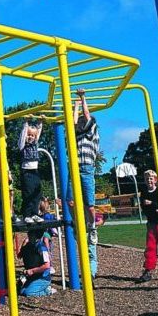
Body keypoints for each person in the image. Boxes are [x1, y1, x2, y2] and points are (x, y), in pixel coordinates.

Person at [67, 88, 100, 244]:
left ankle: (92, 227)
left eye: (84, 121)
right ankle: (77, 223)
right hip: (74, 168)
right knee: (70, 201)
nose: (81, 122)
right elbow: (74, 122)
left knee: (90, 205)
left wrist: (82, 97)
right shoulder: (77, 136)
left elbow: (87, 116)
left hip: (87, 169)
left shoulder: (92, 134)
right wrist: (75, 106)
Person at [18, 116, 45, 224]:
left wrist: (40, 122)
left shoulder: (35, 143)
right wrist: (26, 122)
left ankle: (34, 214)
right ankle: (27, 215)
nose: (30, 137)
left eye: (32, 135)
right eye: (29, 135)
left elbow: (38, 132)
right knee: (28, 193)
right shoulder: (22, 145)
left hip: (35, 171)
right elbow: (23, 134)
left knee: (37, 193)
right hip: (26, 172)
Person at [17, 229, 54, 297]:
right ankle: (37, 287)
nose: (28, 235)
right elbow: (19, 255)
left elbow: (46, 266)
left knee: (28, 293)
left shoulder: (42, 248)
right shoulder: (29, 245)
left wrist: (32, 271)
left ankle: (48, 291)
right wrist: (24, 243)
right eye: (28, 234)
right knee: (21, 291)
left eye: (31, 234)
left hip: (42, 278)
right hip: (32, 277)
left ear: (36, 236)